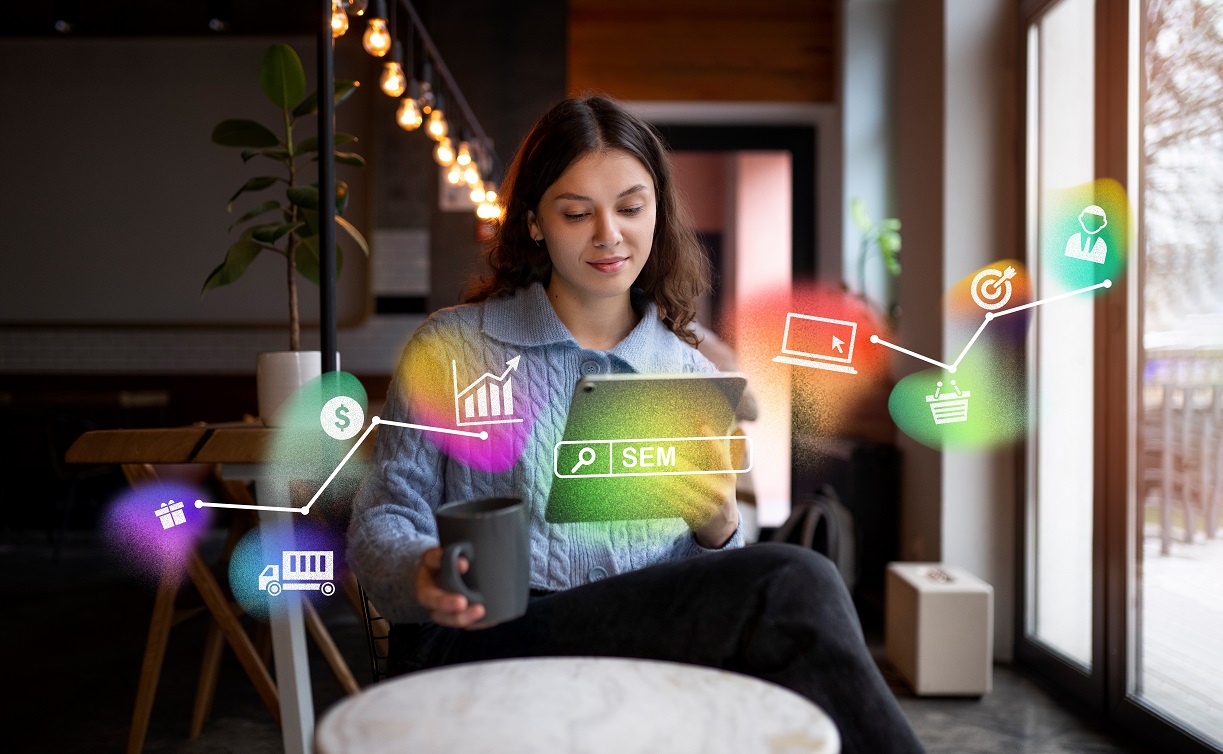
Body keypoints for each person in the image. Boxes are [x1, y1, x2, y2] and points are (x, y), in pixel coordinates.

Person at [347, 95, 925, 754]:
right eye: (575, 213)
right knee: (797, 582)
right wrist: (422, 568)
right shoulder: (453, 345)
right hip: (480, 634)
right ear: (535, 222)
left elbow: (702, 583)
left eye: (629, 207)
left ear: (657, 211)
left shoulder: (686, 369)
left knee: (790, 591)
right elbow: (383, 514)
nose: (608, 235)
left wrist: (719, 531)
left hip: (629, 635)